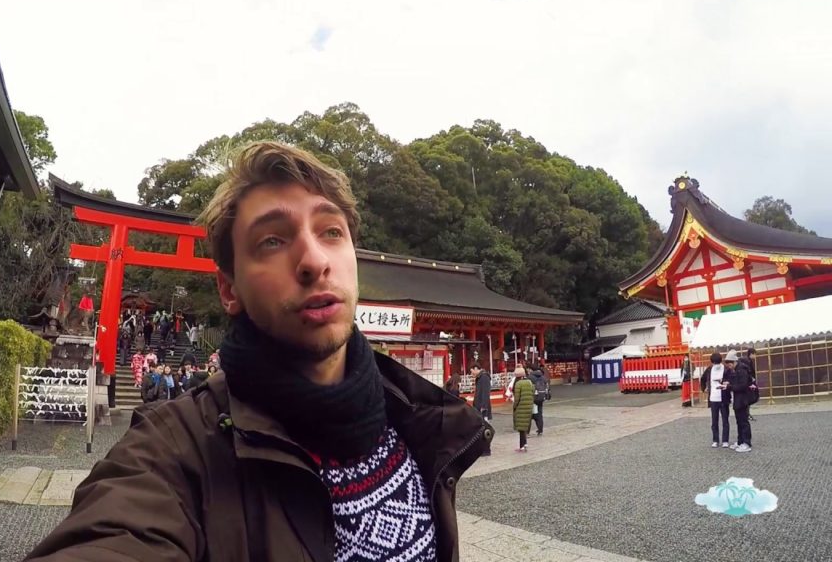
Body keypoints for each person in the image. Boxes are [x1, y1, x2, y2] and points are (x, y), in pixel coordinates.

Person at [27, 141, 491, 562]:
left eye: (331, 231)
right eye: (273, 240)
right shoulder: (173, 452)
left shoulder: (417, 417)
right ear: (229, 289)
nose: (314, 260)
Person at [725, 350, 755, 453]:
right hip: (738, 399)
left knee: (743, 421)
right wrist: (728, 384)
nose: (729, 367)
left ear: (733, 362)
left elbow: (743, 385)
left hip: (743, 399)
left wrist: (730, 386)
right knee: (739, 421)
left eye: (729, 364)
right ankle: (740, 441)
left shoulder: (742, 370)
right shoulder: (736, 370)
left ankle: (746, 443)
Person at [699, 352, 731, 448]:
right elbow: (703, 378)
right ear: (712, 362)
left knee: (725, 420)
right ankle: (715, 440)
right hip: (713, 398)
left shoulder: (726, 369)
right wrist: (703, 388)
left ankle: (725, 440)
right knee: (714, 421)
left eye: (717, 363)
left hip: (723, 397)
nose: (716, 365)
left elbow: (731, 379)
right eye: (714, 363)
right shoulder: (709, 369)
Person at [512, 366, 534, 452]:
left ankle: (522, 446)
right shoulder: (529, 382)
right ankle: (525, 444)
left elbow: (517, 398)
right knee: (525, 426)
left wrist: (514, 406)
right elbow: (532, 393)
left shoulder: (518, 384)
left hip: (521, 408)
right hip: (528, 407)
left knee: (521, 427)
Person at [529, 363, 550, 436]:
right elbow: (547, 386)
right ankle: (540, 429)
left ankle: (527, 431)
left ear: (530, 369)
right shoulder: (543, 377)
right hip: (541, 397)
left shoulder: (530, 377)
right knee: (540, 413)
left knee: (530, 414)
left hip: (533, 398)